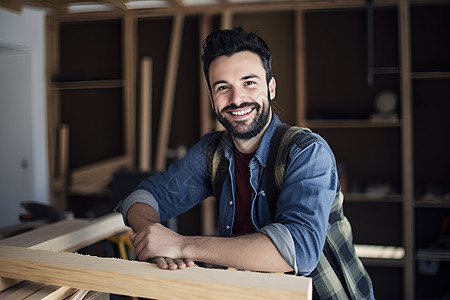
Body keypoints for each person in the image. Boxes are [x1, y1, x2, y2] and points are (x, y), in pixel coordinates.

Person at [116, 27, 375, 299]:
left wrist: (180, 245)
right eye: (223, 87)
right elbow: (143, 196)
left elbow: (298, 250)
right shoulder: (211, 151)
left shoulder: (306, 152)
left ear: (271, 88)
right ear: (211, 97)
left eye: (249, 83)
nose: (236, 99)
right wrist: (151, 234)